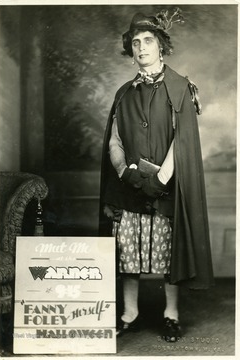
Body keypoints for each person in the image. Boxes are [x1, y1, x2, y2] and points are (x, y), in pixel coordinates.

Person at [99, 8, 214, 342]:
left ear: (161, 46)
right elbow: (115, 140)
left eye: (148, 40)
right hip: (131, 188)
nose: (141, 48)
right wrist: (125, 173)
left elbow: (182, 142)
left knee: (168, 253)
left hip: (166, 188)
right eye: (135, 42)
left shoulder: (180, 87)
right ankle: (129, 315)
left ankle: (171, 315)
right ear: (130, 49)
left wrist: (159, 180)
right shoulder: (124, 93)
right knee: (129, 252)